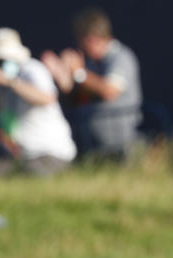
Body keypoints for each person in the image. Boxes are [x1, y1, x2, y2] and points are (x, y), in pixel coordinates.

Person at [42, 8, 142, 160]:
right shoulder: (89, 63)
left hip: (119, 148)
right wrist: (63, 79)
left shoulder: (121, 57)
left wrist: (78, 73)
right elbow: (77, 99)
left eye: (81, 41)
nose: (79, 47)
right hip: (91, 148)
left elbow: (109, 91)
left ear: (92, 39)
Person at [0, 28, 76, 175]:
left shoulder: (32, 69)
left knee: (29, 174)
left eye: (3, 60)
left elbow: (47, 98)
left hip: (50, 152)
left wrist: (10, 82)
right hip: (20, 155)